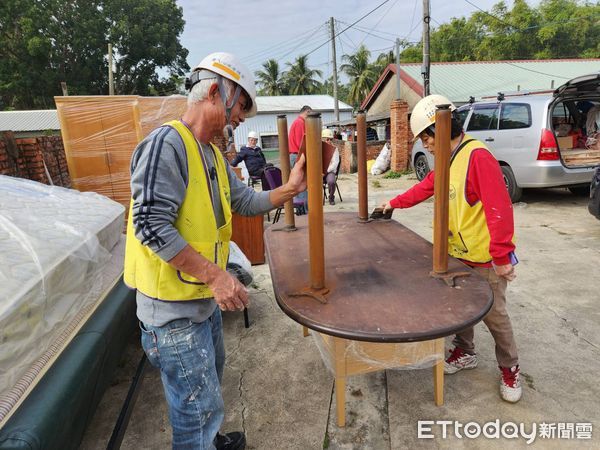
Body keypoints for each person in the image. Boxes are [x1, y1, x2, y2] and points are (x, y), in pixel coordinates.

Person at [124, 52, 306, 450]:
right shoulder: (165, 146)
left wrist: (289, 190)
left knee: (206, 393)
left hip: (198, 301)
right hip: (172, 312)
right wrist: (216, 275)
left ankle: (209, 439)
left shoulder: (210, 154)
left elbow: (243, 202)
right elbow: (151, 226)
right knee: (195, 409)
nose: (242, 116)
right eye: (241, 105)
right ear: (213, 91)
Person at [380, 94, 522, 403]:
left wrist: (502, 257)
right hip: (458, 252)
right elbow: (426, 187)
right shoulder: (449, 158)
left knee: (495, 315)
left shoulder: (477, 156)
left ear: (441, 129)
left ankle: (510, 368)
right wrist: (392, 202)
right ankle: (465, 352)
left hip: (484, 256)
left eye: (427, 137)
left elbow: (500, 209)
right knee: (461, 309)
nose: (426, 145)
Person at [288, 105, 312, 211]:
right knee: (301, 183)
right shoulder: (300, 123)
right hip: (298, 155)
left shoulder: (299, 122)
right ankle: (304, 212)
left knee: (301, 183)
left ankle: (302, 210)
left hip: (297, 155)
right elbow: (301, 143)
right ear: (307, 112)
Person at [322, 128, 340, 205]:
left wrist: (325, 171)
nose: (329, 141)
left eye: (330, 139)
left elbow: (335, 163)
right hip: (319, 171)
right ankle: (315, 198)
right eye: (327, 139)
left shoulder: (334, 149)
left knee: (331, 181)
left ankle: (331, 197)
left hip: (329, 171)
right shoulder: (318, 148)